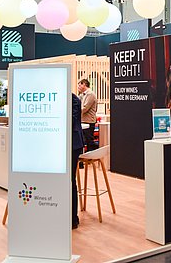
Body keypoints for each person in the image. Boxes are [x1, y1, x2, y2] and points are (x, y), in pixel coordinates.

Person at [71, 93, 84, 230]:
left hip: (72, 144)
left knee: (70, 180)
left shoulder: (74, 100)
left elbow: (71, 121)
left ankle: (72, 218)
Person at [78, 79, 98, 151]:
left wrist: (74, 112)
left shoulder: (90, 94)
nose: (78, 87)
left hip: (89, 121)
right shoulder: (83, 95)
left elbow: (85, 108)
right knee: (85, 141)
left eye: (79, 85)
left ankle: (92, 155)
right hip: (84, 121)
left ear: (84, 84)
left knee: (89, 142)